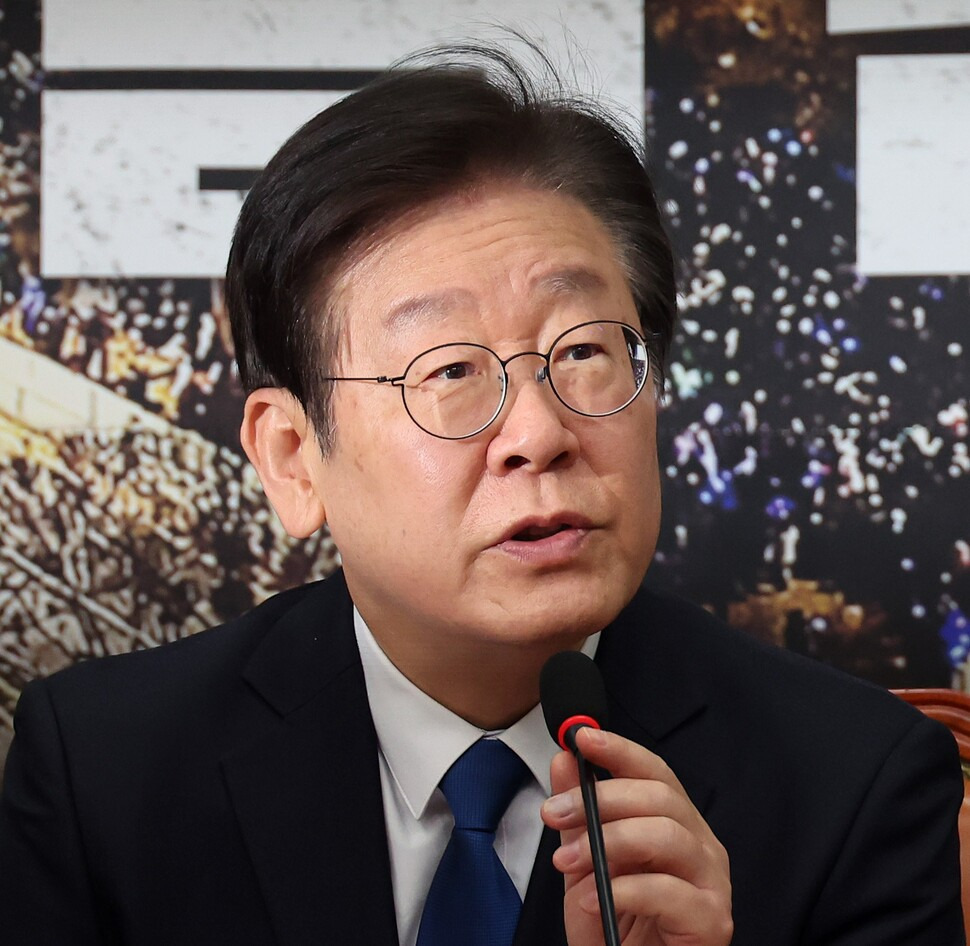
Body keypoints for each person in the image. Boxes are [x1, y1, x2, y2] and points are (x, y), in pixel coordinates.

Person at [0, 42, 964, 946]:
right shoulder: (104, 772)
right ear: (293, 458)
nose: (540, 433)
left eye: (583, 353)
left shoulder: (856, 785)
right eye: (451, 372)